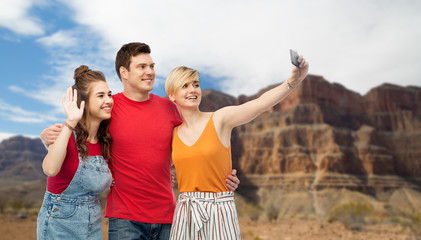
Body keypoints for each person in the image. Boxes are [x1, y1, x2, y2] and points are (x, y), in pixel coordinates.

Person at [40, 42, 240, 240]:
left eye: (152, 66)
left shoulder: (170, 109)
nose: (150, 72)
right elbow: (82, 129)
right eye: (142, 67)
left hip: (168, 216)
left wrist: (222, 177)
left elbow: (199, 140)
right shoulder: (108, 108)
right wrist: (47, 136)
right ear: (124, 72)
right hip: (125, 219)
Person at [164, 52, 309, 239]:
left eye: (196, 85)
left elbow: (261, 104)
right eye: (185, 86)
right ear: (172, 95)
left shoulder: (220, 119)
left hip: (220, 210)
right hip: (186, 211)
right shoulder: (173, 134)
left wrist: (293, 81)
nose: (193, 90)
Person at [37, 65, 113, 239]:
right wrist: (70, 122)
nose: (108, 100)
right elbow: (50, 169)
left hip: (92, 224)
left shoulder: (105, 141)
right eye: (100, 96)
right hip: (59, 222)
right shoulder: (67, 135)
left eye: (109, 95)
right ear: (83, 102)